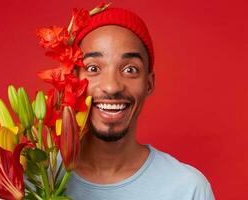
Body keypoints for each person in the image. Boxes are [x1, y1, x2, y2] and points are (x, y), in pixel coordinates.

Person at [64, 6, 215, 200]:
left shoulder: (187, 188)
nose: (112, 87)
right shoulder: (32, 179)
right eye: (93, 68)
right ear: (71, 79)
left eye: (130, 70)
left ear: (149, 84)